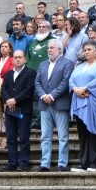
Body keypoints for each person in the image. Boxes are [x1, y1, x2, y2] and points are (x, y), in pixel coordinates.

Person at [34, 39, 74, 172]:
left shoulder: (67, 63)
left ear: (60, 50)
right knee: (45, 136)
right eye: (48, 48)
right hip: (44, 104)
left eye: (52, 48)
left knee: (63, 136)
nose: (49, 50)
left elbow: (65, 82)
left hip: (59, 103)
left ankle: (62, 163)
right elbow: (37, 82)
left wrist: (52, 96)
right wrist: (43, 96)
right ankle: (45, 163)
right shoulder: (42, 64)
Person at [69, 41, 96, 172]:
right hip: (80, 101)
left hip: (93, 101)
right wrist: (76, 89)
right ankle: (83, 162)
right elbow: (71, 79)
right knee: (82, 133)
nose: (86, 52)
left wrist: (85, 88)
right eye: (85, 49)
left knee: (93, 131)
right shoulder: (80, 66)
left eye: (89, 49)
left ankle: (94, 163)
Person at [0, 50, 37, 172]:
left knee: (24, 137)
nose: (17, 59)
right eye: (15, 57)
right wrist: (8, 100)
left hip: (23, 110)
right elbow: (4, 88)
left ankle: (24, 163)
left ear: (25, 59)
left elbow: (29, 90)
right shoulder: (9, 74)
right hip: (10, 110)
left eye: (20, 57)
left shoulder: (30, 73)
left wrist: (15, 99)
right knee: (10, 137)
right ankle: (12, 163)